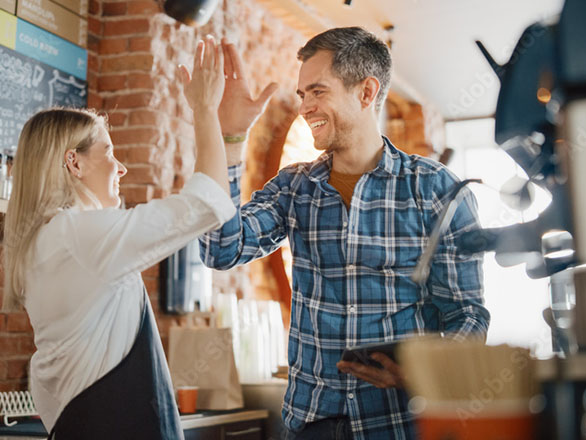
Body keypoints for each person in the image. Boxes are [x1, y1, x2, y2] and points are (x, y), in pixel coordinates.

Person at [201, 27, 490, 439]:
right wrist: (229, 139)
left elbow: (467, 315)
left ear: (367, 92)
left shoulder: (437, 190)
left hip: (401, 423)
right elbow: (220, 248)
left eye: (317, 92)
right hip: (312, 426)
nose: (305, 107)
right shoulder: (293, 187)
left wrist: (424, 371)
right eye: (302, 95)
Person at [2, 36, 240, 440]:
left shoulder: (50, 241)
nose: (121, 167)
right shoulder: (77, 236)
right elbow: (208, 203)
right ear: (73, 162)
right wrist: (206, 112)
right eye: (109, 152)